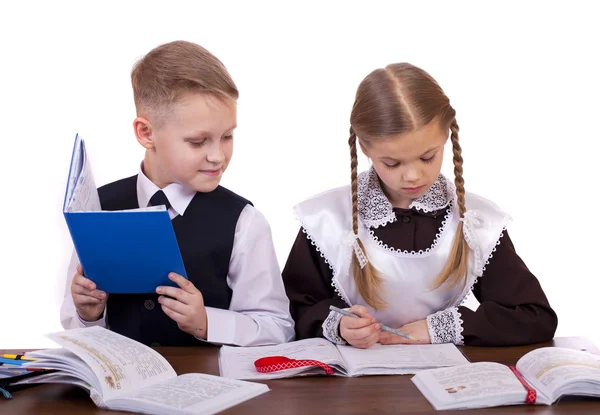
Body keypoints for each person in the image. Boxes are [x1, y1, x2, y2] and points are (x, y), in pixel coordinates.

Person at [282, 63, 557, 348]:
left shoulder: (475, 223)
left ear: (446, 137)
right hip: (355, 389)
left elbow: (534, 317)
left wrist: (437, 328)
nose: (413, 176)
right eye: (392, 163)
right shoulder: (327, 219)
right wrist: (339, 325)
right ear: (364, 148)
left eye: (428, 157)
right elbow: (292, 310)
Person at [60, 40, 294, 347]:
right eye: (198, 142)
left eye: (227, 136)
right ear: (146, 133)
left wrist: (207, 322)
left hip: (210, 384)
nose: (217, 156)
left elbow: (278, 328)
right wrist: (87, 313)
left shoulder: (243, 222)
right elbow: (74, 326)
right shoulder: (97, 208)